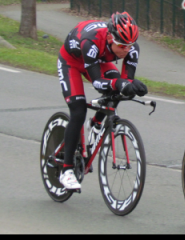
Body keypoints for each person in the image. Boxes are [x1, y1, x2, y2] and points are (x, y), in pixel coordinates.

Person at [57, 11, 148, 190]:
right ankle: (66, 171)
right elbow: (98, 83)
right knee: (78, 111)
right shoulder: (91, 42)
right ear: (109, 37)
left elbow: (125, 81)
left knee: (117, 91)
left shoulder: (131, 48)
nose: (126, 50)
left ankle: (97, 122)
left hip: (98, 60)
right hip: (72, 63)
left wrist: (133, 86)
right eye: (121, 45)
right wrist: (120, 83)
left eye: (130, 45)